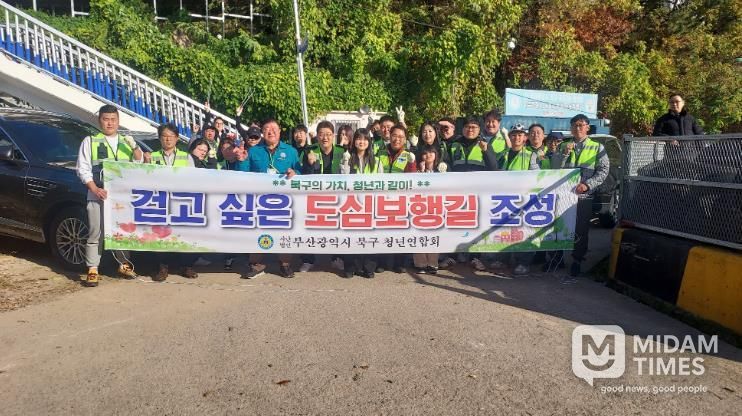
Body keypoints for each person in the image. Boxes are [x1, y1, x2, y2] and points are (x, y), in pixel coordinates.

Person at [76, 104, 144, 287]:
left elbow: (139, 162)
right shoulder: (90, 141)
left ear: (118, 121)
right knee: (95, 232)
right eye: (106, 119)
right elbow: (83, 169)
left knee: (122, 231)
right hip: (97, 195)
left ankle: (123, 264)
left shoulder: (126, 141)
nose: (110, 123)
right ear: (100, 121)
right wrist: (94, 189)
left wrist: (134, 146)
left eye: (113, 119)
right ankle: (92, 269)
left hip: (121, 198)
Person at [238, 118, 301, 279]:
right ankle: (255, 264)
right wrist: (242, 161)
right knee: (258, 230)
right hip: (259, 200)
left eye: (274, 128)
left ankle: (285, 264)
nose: (270, 131)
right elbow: (244, 174)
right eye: (266, 129)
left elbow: (300, 172)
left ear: (280, 132)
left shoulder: (291, 151)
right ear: (262, 133)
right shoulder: (253, 151)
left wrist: (295, 173)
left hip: (285, 201)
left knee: (285, 231)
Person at [551, 114, 610, 278]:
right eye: (574, 125)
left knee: (581, 229)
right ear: (571, 128)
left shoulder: (597, 147)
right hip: (564, 195)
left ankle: (577, 260)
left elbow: (604, 170)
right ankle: (557, 258)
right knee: (559, 226)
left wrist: (588, 185)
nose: (578, 128)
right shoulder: (564, 146)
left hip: (584, 196)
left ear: (587, 127)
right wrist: (564, 154)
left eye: (581, 125)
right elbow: (554, 168)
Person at [444, 117, 499, 271]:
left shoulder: (485, 144)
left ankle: (476, 257)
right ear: (462, 129)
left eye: (474, 127)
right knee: (455, 224)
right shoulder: (453, 145)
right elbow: (447, 165)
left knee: (476, 225)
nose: (470, 130)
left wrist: (485, 151)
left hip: (478, 194)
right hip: (457, 193)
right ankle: (453, 256)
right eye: (468, 127)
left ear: (479, 130)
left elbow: (494, 167)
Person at [146, 123, 198, 281]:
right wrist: (145, 163)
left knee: (184, 234)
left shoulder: (186, 157)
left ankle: (186, 266)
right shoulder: (152, 156)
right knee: (161, 234)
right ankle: (163, 268)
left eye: (171, 136)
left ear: (177, 138)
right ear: (160, 138)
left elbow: (194, 179)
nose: (167, 139)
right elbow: (145, 177)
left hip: (181, 201)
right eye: (164, 136)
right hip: (160, 201)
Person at [490, 124, 539, 275]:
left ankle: (523, 262)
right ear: (509, 137)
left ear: (525, 138)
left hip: (524, 200)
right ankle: (502, 259)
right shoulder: (502, 154)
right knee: (504, 229)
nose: (516, 137)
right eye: (514, 135)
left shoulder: (531, 155)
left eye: (520, 135)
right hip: (505, 199)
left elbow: (537, 177)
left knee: (523, 231)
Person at [299, 121, 347, 273]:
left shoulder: (342, 151)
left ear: (334, 136)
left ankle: (337, 258)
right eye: (321, 134)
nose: (325, 138)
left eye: (328, 134)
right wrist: (309, 164)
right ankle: (308, 260)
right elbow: (301, 175)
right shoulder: (309, 151)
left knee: (338, 227)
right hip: (314, 197)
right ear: (317, 136)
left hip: (337, 197)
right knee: (308, 227)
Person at [339, 128, 382, 278]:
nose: (361, 142)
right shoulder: (347, 157)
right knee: (352, 236)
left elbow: (382, 183)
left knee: (370, 235)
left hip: (371, 203)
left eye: (365, 139)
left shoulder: (377, 161)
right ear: (354, 141)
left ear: (369, 142)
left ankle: (369, 267)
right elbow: (342, 179)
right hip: (352, 203)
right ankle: (351, 267)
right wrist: (345, 162)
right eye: (358, 138)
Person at [376, 124, 417, 273]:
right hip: (382, 198)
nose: (397, 139)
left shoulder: (408, 155)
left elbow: (413, 179)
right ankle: (383, 262)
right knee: (383, 230)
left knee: (400, 230)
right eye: (394, 135)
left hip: (401, 199)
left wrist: (412, 163)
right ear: (389, 136)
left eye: (401, 137)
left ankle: (400, 263)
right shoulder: (380, 153)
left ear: (405, 139)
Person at [413, 145, 447, 274]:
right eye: (425, 153)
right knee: (419, 234)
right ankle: (420, 264)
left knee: (434, 234)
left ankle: (433, 263)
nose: (428, 155)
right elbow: (414, 186)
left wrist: (444, 175)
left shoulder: (441, 169)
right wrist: (421, 172)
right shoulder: (417, 170)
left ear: (436, 154)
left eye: (431, 152)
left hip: (436, 206)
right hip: (419, 206)